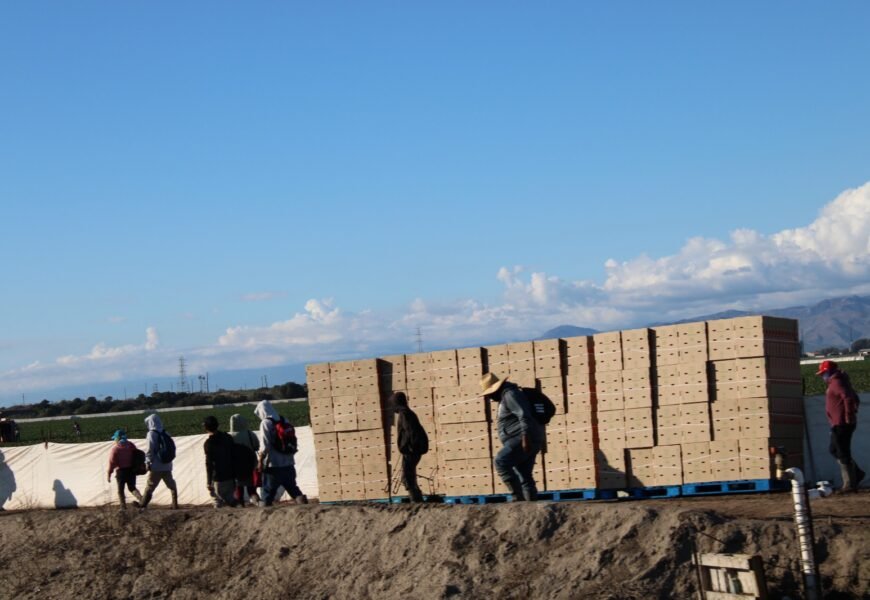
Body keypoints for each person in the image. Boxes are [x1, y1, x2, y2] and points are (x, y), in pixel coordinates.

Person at [480, 373, 544, 501]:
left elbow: (524, 415)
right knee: (524, 473)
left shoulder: (510, 395)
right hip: (526, 438)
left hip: (522, 438)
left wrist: (525, 437)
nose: (489, 397)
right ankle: (531, 505)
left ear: (496, 389)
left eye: (490, 394)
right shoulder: (507, 396)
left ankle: (517, 496)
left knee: (501, 462)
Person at [817, 360, 864, 492]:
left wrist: (849, 415)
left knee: (843, 452)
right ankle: (857, 473)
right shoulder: (840, 381)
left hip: (842, 423)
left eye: (824, 373)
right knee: (834, 450)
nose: (822, 376)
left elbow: (848, 398)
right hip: (837, 423)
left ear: (829, 371)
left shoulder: (837, 382)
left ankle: (849, 484)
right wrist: (853, 411)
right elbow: (855, 397)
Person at [254, 400, 307, 506]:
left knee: (268, 493)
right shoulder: (284, 420)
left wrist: (260, 461)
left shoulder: (266, 423)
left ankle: (265, 511)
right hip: (289, 463)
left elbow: (265, 445)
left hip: (273, 466)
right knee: (293, 489)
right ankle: (306, 507)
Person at [390, 391, 428, 502]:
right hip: (412, 450)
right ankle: (417, 499)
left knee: (407, 477)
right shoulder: (408, 413)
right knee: (409, 476)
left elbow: (411, 432)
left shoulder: (405, 414)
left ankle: (416, 501)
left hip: (411, 451)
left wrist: (410, 447)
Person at [138, 414, 179, 510]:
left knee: (150, 485)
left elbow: (150, 450)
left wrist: (148, 462)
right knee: (171, 484)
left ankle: (142, 504)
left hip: (156, 465)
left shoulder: (151, 434)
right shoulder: (166, 433)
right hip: (167, 464)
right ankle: (175, 504)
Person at [202, 416, 237, 507]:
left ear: (206, 428)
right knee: (230, 498)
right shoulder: (228, 437)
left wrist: (209, 481)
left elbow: (209, 464)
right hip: (230, 475)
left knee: (217, 500)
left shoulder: (208, 443)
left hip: (217, 477)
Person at [229, 413, 260, 506]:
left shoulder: (230, 436)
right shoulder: (250, 434)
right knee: (251, 487)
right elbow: (256, 446)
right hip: (250, 464)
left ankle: (241, 504)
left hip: (236, 466)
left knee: (239, 487)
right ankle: (257, 502)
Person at [107, 429, 143, 510]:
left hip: (121, 472)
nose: (114, 441)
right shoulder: (131, 445)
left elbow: (112, 462)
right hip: (131, 470)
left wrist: (109, 474)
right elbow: (137, 455)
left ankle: (123, 507)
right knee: (132, 488)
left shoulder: (115, 449)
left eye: (115, 439)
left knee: (120, 490)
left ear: (117, 439)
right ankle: (142, 500)